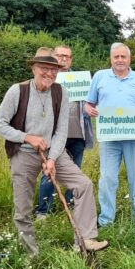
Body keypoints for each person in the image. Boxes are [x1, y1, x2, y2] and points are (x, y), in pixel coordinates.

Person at [0, 47, 108, 256]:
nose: (50, 74)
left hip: (53, 151)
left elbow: (62, 130)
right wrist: (26, 137)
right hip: (23, 153)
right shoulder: (18, 91)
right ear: (35, 69)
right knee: (23, 207)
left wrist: (53, 158)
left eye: (54, 70)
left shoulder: (61, 91)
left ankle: (85, 240)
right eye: (45, 69)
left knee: (83, 185)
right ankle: (30, 254)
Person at [84, 43, 135, 225]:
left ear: (129, 59)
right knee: (107, 179)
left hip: (134, 138)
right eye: (116, 57)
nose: (120, 60)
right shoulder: (99, 77)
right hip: (109, 139)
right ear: (111, 58)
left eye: (123, 57)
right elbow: (88, 103)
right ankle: (106, 220)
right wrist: (89, 109)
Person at [35, 45, 95, 219]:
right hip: (53, 136)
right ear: (54, 57)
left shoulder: (82, 80)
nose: (63, 59)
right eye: (60, 55)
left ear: (71, 59)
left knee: (74, 173)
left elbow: (90, 102)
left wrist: (91, 108)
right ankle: (43, 211)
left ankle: (70, 206)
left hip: (78, 134)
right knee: (49, 171)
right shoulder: (48, 78)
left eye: (67, 56)